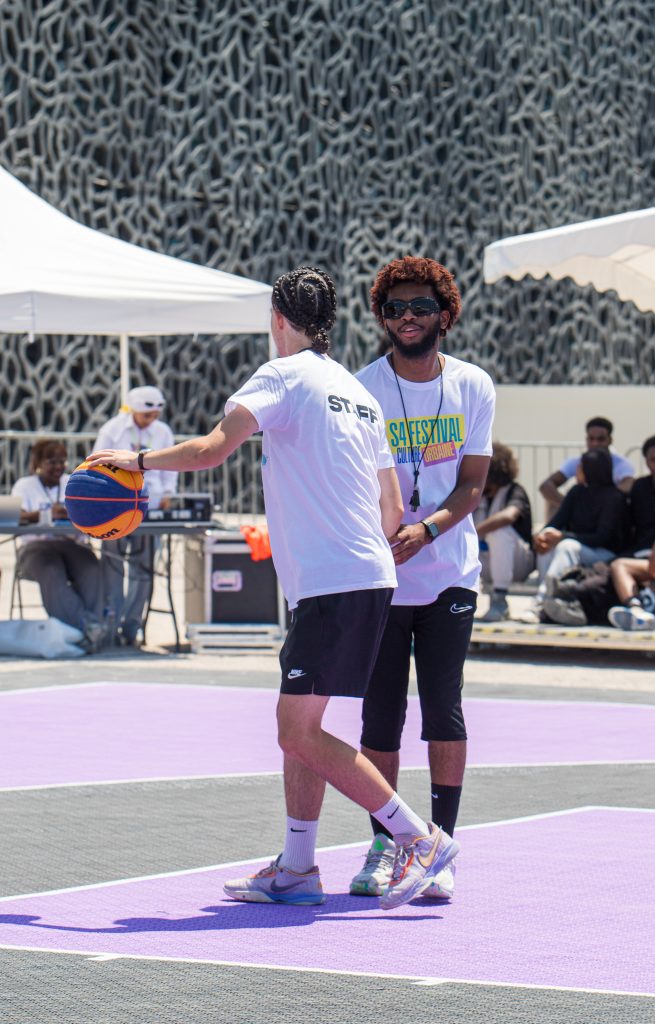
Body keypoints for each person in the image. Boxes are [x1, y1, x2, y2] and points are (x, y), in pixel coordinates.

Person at [87, 266, 459, 910]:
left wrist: (137, 462)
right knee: (303, 723)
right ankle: (297, 867)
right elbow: (392, 510)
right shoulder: (358, 393)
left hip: (331, 580)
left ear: (278, 320)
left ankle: (419, 839)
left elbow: (210, 449)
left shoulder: (281, 375)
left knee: (296, 731)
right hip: (366, 575)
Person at [348, 255, 495, 902]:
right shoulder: (360, 389)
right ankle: (385, 844)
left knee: (443, 708)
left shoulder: (472, 386)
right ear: (381, 316)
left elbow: (471, 483)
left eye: (419, 307)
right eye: (394, 308)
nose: (406, 318)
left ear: (444, 313)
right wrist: (381, 535)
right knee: (379, 720)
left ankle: (439, 845)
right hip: (379, 578)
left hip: (448, 574)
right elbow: (349, 482)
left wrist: (427, 530)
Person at [94, 385, 178, 646]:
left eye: (154, 415)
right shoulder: (112, 430)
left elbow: (171, 467)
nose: (151, 420)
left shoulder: (162, 432)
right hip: (115, 509)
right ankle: (111, 622)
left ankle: (131, 626)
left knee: (142, 570)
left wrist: (168, 494)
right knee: (112, 566)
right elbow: (95, 463)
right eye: (146, 415)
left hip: (149, 508)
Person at [11, 439, 104, 652]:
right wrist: (45, 514)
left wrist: (72, 513)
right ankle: (85, 627)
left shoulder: (73, 482)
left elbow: (92, 512)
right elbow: (15, 515)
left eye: (62, 461)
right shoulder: (24, 486)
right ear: (38, 462)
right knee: (51, 570)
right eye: (52, 462)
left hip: (70, 543)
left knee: (91, 567)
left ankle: (90, 629)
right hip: (36, 546)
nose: (58, 467)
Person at [524, 447, 627, 624]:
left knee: (567, 546)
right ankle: (550, 603)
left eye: (581, 467)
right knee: (547, 547)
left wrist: (563, 537)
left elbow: (601, 537)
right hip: (578, 547)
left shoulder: (614, 497)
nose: (577, 471)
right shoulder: (576, 492)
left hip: (605, 554)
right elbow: (557, 521)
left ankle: (540, 603)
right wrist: (543, 536)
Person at [605, 435, 655, 629]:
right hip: (653, 557)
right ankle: (637, 611)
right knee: (615, 567)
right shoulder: (652, 496)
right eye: (654, 460)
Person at [474, 442, 534, 622]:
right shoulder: (476, 494)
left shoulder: (514, 491)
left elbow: (509, 516)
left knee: (499, 533)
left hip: (518, 562)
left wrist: (476, 531)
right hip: (484, 560)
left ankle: (499, 600)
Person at [539, 417, 635, 513]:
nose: (595, 443)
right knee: (552, 502)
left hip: (609, 511)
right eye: (591, 438)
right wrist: (568, 506)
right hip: (582, 512)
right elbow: (546, 486)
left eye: (600, 439)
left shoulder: (621, 463)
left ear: (610, 440)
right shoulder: (577, 461)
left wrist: (600, 502)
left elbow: (628, 485)